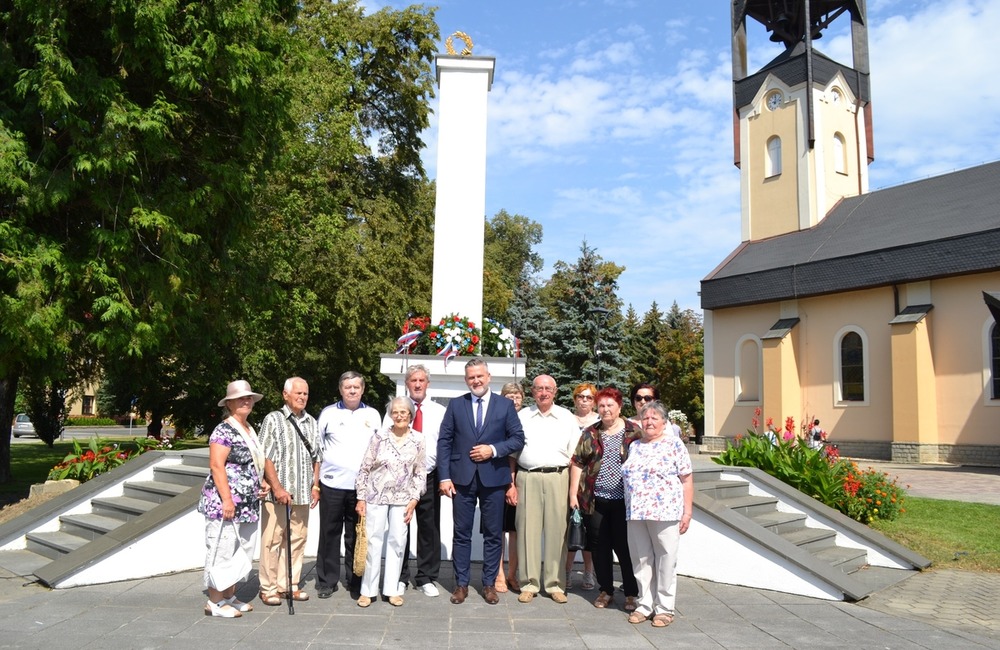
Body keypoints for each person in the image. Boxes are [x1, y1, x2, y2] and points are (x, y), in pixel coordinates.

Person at [437, 359, 525, 605]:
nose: (476, 380)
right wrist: (444, 476)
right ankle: (461, 584)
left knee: (493, 534)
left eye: (479, 376)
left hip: (494, 478)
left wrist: (493, 450)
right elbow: (444, 441)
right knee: (461, 534)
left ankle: (489, 584)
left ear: (488, 377)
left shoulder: (504, 406)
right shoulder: (456, 405)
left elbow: (518, 439)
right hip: (462, 479)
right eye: (471, 377)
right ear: (466, 380)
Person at [622, 400, 694, 628]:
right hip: (636, 512)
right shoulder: (635, 446)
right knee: (641, 559)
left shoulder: (674, 444)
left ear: (664, 422)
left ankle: (664, 608)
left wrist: (687, 512)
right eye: (645, 418)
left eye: (654, 417)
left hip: (665, 512)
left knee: (665, 559)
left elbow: (687, 479)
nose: (649, 421)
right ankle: (644, 604)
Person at [198, 380, 266, 618]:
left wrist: (262, 482)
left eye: (249, 398)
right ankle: (214, 603)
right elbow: (217, 466)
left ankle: (229, 596)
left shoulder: (248, 428)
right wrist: (227, 500)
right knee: (222, 550)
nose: (246, 401)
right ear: (229, 403)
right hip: (224, 505)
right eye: (240, 398)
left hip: (248, 505)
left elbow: (254, 463)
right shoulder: (223, 430)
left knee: (241, 552)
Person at [569, 386, 641, 612]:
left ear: (619, 407)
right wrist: (573, 494)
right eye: (602, 405)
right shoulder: (591, 432)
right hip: (595, 500)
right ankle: (606, 590)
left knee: (624, 547)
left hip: (624, 503)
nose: (606, 409)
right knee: (600, 547)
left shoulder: (634, 432)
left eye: (610, 405)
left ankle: (631, 592)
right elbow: (578, 462)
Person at [512, 374, 579, 604]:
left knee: (556, 533)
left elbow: (575, 457)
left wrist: (572, 491)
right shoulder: (523, 416)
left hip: (558, 478)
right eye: (539, 388)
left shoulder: (566, 417)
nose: (543, 392)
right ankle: (529, 583)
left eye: (548, 388)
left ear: (555, 391)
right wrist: (511, 484)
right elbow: (512, 453)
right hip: (527, 478)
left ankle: (555, 584)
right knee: (527, 533)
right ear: (532, 391)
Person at [355, 397, 426, 608]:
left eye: (404, 412)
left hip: (403, 499)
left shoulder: (419, 440)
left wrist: (414, 499)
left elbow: (420, 472)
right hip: (376, 496)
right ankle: (368, 591)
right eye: (395, 412)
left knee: (397, 543)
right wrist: (361, 497)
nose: (400, 415)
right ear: (390, 415)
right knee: (373, 543)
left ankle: (392, 590)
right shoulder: (379, 437)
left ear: (411, 415)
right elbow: (364, 468)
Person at [315, 371, 381, 600]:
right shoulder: (328, 413)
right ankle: (326, 581)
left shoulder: (373, 415)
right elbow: (318, 448)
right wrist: (316, 483)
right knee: (329, 534)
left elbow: (378, 450)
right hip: (332, 484)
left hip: (361, 489)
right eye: (347, 387)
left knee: (357, 535)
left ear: (362, 389)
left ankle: (356, 581)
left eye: (356, 387)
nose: (352, 390)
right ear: (340, 389)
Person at [383, 364, 446, 597]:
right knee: (400, 528)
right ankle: (400, 576)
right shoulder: (395, 409)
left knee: (429, 528)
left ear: (427, 383)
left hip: (429, 476)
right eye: (413, 380)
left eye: (421, 380)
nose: (417, 384)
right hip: (400, 480)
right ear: (406, 384)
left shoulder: (439, 411)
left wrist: (444, 477)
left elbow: (445, 446)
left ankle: (426, 577)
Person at [257, 377, 321, 606]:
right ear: (285, 395)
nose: (302, 397)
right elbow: (265, 456)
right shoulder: (273, 420)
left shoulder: (312, 422)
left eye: (305, 393)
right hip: (278, 495)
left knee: (297, 540)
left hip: (303, 494)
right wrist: (277, 487)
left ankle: (289, 585)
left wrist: (315, 485)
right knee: (272, 540)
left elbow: (317, 457)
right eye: (298, 393)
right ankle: (269, 588)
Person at [493, 381, 524, 594]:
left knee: (515, 530)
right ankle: (499, 574)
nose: (513, 399)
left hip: (522, 478)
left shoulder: (528, 419)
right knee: (497, 530)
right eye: (509, 396)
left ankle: (513, 573)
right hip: (497, 477)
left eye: (517, 396)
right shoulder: (497, 418)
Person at [567, 382, 599, 590]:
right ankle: (566, 572)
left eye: (588, 397)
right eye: (581, 396)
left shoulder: (599, 421)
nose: (584, 400)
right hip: (567, 477)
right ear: (575, 399)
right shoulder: (566, 419)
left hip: (591, 482)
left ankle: (589, 571)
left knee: (589, 528)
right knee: (568, 527)